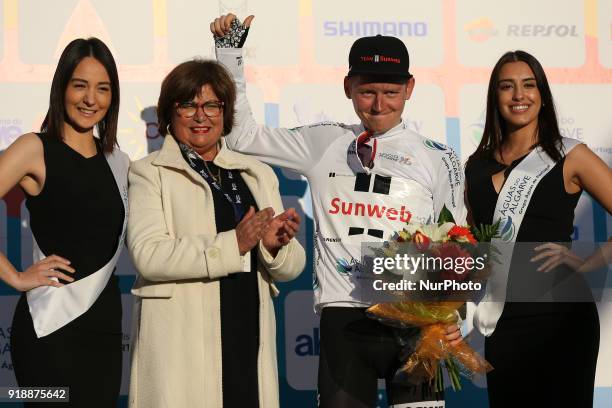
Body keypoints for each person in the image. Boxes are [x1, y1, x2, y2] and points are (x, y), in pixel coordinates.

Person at [211, 14, 465, 408]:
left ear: (410, 88)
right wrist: (229, 55)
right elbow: (242, 137)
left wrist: (452, 317)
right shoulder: (325, 142)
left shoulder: (439, 158)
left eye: (391, 92)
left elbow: (458, 244)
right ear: (348, 87)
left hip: (416, 321)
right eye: (367, 92)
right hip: (344, 321)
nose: (379, 104)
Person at [127, 58, 306, 408]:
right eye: (188, 105)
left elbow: (291, 267)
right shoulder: (149, 172)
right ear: (169, 113)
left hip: (245, 334)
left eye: (211, 105)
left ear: (225, 113)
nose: (200, 116)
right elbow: (149, 255)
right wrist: (233, 244)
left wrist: (274, 247)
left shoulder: (255, 173)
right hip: (183, 343)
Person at [465, 50, 612, 407]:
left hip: (561, 316)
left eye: (529, 85)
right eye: (507, 87)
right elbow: (471, 241)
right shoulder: (475, 165)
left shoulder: (569, 155)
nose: (519, 96)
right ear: (494, 96)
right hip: (503, 319)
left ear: (542, 95)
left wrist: (588, 262)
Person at [0, 38, 127, 406]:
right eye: (80, 86)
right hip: (47, 331)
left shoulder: (120, 161)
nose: (91, 99)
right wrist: (15, 276)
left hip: (104, 330)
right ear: (62, 88)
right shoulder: (34, 148)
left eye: (103, 89)